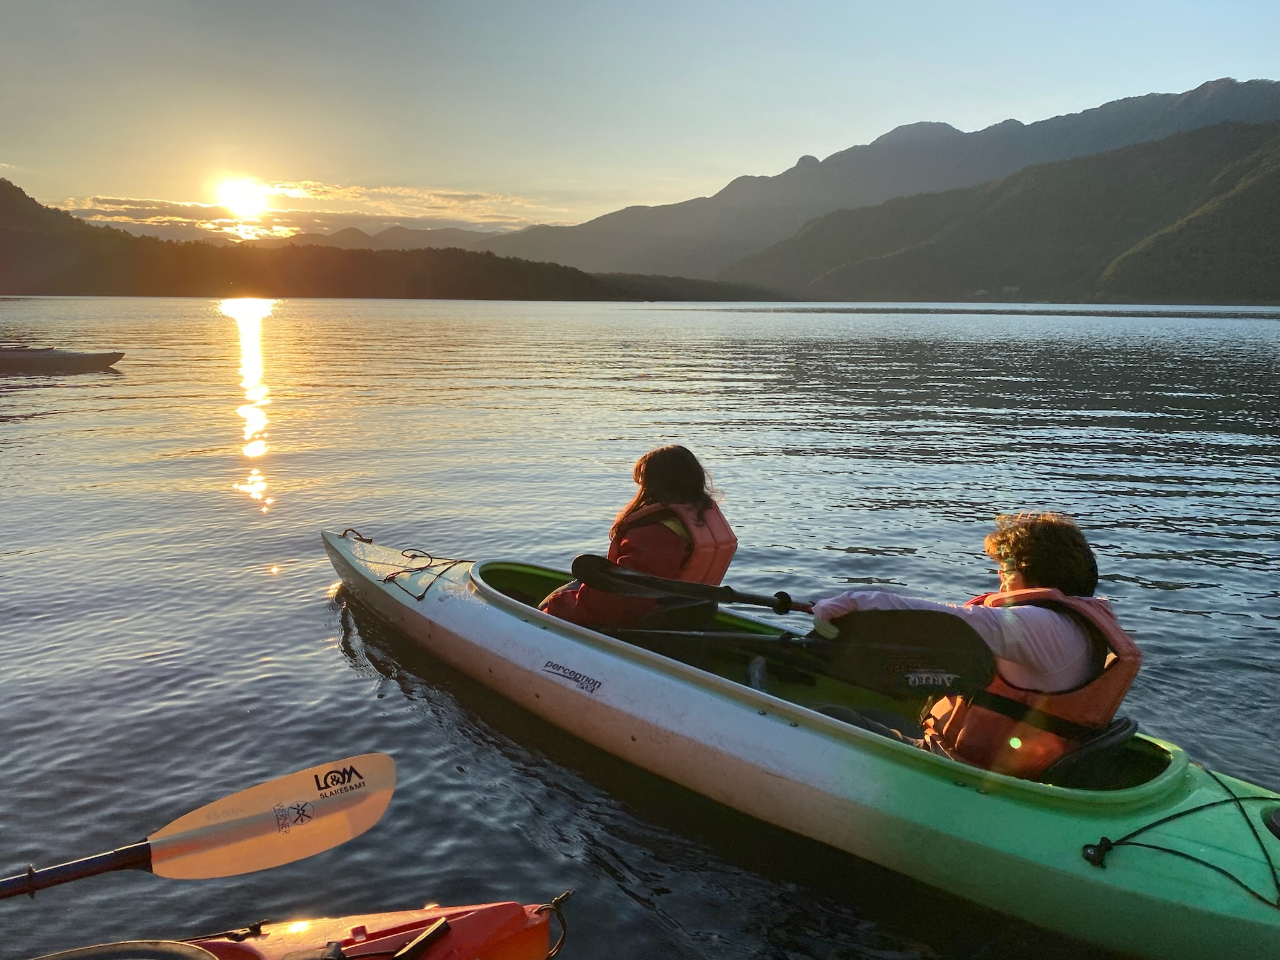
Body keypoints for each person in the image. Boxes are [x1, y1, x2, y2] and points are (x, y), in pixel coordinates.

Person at [811, 512, 1142, 780]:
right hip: (1020, 766)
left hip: (966, 771)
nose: (1000, 579)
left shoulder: (1041, 626)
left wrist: (850, 603)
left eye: (1006, 568)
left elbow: (949, 620)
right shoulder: (1077, 624)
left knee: (827, 717)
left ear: (1034, 569)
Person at [540, 445, 737, 630]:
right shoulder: (699, 518)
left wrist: (556, 606)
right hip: (687, 616)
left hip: (639, 622)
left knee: (549, 602)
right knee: (572, 587)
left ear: (654, 484)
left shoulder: (655, 533)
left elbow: (619, 603)